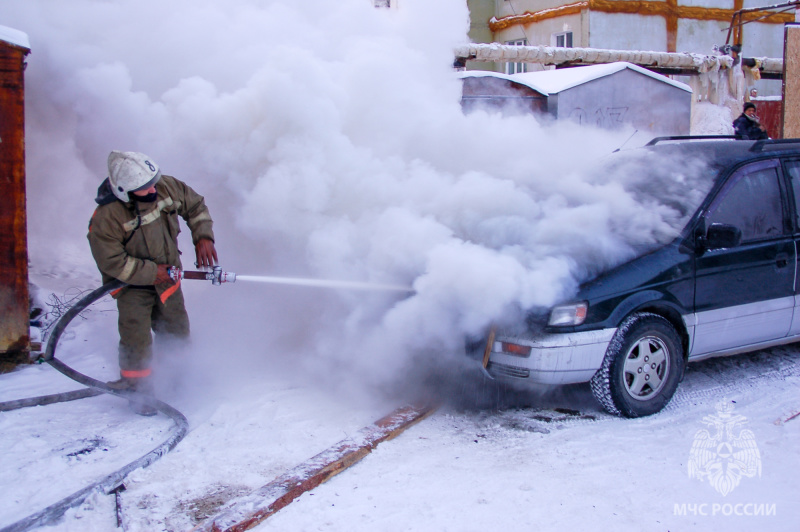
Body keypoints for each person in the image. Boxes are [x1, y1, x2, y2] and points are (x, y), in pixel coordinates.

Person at [87, 151, 218, 415]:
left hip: (167, 281)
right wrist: (150, 272)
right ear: (125, 192)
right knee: (136, 338)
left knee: (176, 330)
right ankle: (138, 390)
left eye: (152, 181)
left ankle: (180, 380)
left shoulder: (165, 186)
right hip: (131, 286)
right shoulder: (107, 217)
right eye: (144, 187)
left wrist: (203, 237)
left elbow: (195, 206)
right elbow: (112, 261)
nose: (152, 188)